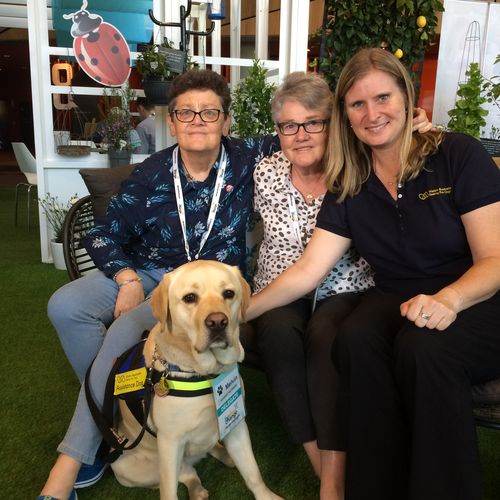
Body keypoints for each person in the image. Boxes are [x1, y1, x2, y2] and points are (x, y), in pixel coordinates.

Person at [247, 48, 500, 500]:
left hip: (476, 294)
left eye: (383, 98)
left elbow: (494, 260)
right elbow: (308, 270)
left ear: (406, 96)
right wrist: (244, 310)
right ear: (345, 114)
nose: (372, 113)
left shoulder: (456, 154)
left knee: (424, 348)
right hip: (396, 295)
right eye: (357, 104)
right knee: (356, 338)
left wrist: (449, 300)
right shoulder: (351, 181)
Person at [38, 69, 279, 500]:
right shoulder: (153, 172)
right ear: (172, 122)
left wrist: (402, 127)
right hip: (150, 275)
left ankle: (71, 461)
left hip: (207, 289)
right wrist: (127, 278)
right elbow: (101, 234)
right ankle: (112, 420)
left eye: (209, 112)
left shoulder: (247, 157)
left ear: (226, 121)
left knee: (121, 334)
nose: (198, 121)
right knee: (66, 305)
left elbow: (311, 129)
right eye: (186, 113)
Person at [251, 71, 430, 500]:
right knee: (276, 335)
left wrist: (421, 126)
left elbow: (400, 145)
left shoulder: (358, 167)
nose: (301, 135)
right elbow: (210, 145)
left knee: (327, 339)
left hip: (345, 286)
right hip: (278, 285)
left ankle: (333, 482)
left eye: (314, 122)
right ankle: (324, 473)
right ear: (277, 131)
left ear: (334, 125)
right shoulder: (263, 170)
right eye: (288, 125)